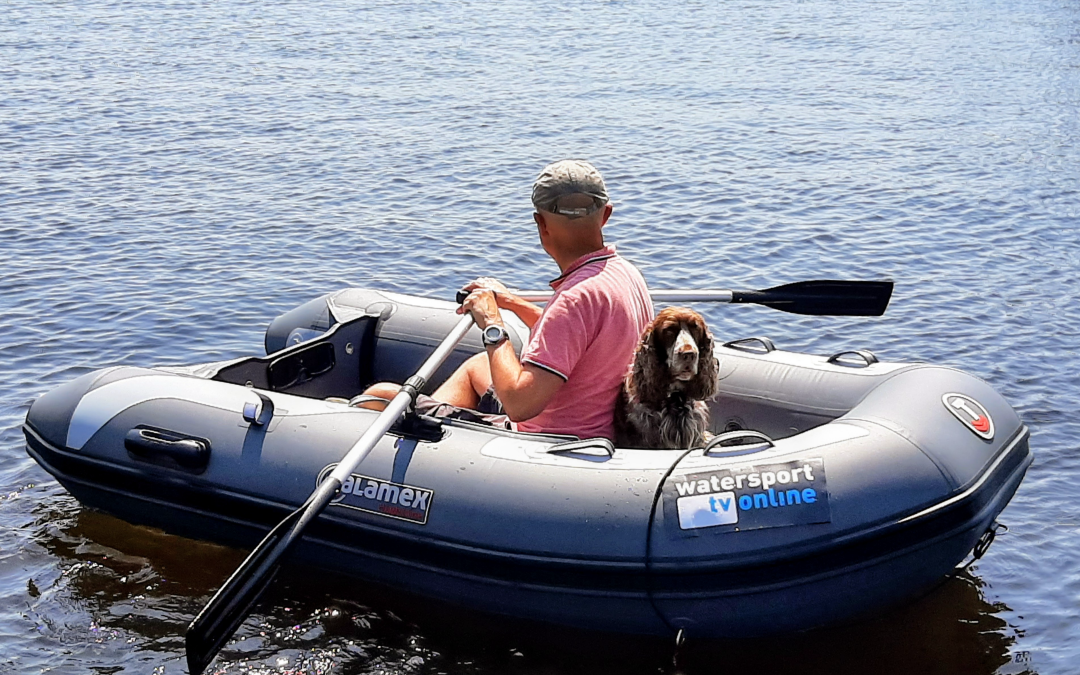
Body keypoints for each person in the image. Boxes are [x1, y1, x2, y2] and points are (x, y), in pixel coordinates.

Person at [360, 159, 653, 440]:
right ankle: (432, 429)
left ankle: (426, 443)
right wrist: (512, 301)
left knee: (381, 394)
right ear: (606, 215)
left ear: (542, 224)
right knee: (478, 366)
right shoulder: (625, 274)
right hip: (599, 424)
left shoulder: (575, 298)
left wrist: (492, 323)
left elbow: (519, 404)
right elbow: (576, 334)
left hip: (549, 440)